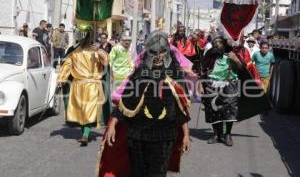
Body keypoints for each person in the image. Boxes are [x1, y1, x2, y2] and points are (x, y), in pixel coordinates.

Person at [100, 31, 191, 177]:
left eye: (162, 51)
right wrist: (112, 125)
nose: (158, 56)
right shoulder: (138, 74)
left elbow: (182, 109)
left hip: (164, 136)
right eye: (154, 52)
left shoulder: (175, 75)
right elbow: (125, 103)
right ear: (148, 52)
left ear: (167, 51)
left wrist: (186, 135)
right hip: (137, 134)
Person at [201, 34, 270, 147]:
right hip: (212, 83)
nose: (216, 47)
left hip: (230, 84)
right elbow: (203, 68)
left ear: (223, 45)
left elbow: (243, 68)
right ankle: (216, 134)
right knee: (212, 110)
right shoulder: (211, 55)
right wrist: (201, 83)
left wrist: (236, 60)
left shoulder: (233, 54)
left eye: (218, 45)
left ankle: (227, 134)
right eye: (214, 45)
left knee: (229, 109)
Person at [57, 27, 109, 146]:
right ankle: (84, 133)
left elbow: (105, 62)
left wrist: (99, 51)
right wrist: (61, 79)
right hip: (77, 85)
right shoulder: (75, 52)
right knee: (80, 111)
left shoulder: (97, 51)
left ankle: (85, 135)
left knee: (88, 110)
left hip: (92, 85)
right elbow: (67, 66)